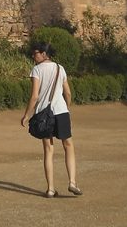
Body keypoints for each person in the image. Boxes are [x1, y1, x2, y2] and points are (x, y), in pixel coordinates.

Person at [20, 42, 81, 198]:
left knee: (48, 150)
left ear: (44, 54)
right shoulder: (60, 68)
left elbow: (34, 96)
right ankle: (72, 182)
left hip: (43, 114)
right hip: (61, 111)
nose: (33, 56)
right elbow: (68, 93)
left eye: (35, 53)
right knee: (68, 145)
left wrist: (27, 115)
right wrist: (66, 108)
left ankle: (50, 189)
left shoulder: (36, 70)